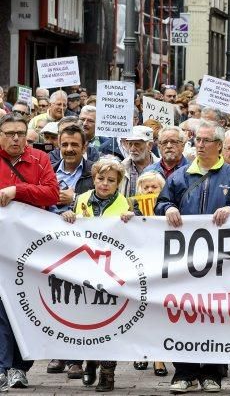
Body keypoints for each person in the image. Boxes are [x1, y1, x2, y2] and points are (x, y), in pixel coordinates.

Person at [155, 121, 230, 394]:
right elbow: (161, 203)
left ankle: (212, 372)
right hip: (185, 261)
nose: (200, 144)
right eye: (197, 140)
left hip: (221, 262)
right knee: (182, 312)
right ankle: (185, 373)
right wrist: (168, 209)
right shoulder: (179, 176)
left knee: (215, 315)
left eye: (206, 140)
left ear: (219, 145)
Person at [57, 157, 135, 392]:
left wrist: (133, 221)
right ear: (93, 178)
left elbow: (139, 236)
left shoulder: (126, 205)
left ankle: (108, 373)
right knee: (87, 322)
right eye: (101, 178)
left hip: (112, 273)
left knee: (110, 325)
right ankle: (90, 360)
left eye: (111, 180)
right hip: (84, 272)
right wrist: (67, 216)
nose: (104, 184)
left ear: (119, 183)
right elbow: (66, 227)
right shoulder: (80, 200)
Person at [0, 113, 59, 390]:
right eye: (9, 133)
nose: (15, 138)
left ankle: (19, 367)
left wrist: (16, 190)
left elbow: (51, 194)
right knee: (2, 307)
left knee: (24, 306)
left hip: (30, 249)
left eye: (20, 134)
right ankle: (3, 367)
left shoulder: (39, 160)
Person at [120, 126, 157, 197]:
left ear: (150, 146)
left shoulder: (161, 167)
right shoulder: (121, 168)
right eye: (130, 144)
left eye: (137, 144)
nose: (132, 149)